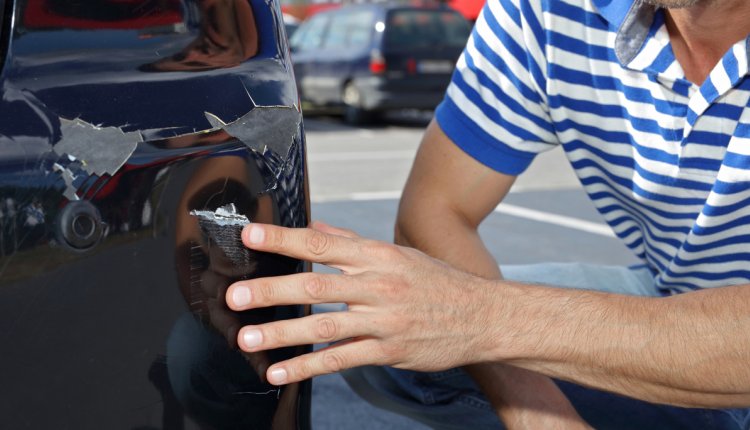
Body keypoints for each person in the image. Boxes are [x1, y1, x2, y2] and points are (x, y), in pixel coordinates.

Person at [224, 0, 750, 428]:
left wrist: (481, 318)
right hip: (680, 295)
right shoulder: (546, 11)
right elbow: (436, 208)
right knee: (374, 328)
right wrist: (540, 416)